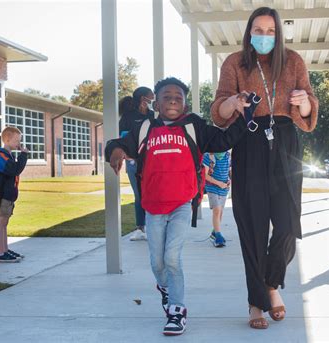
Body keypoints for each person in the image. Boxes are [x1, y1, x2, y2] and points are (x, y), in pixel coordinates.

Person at [106, 77, 252, 336]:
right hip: (153, 207)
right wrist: (115, 152)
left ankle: (177, 309)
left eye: (178, 96)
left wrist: (243, 117)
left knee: (172, 257)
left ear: (184, 103)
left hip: (182, 204)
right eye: (166, 96)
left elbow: (222, 141)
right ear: (156, 103)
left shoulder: (193, 126)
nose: (173, 99)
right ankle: (165, 288)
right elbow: (118, 144)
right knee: (157, 261)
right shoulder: (145, 128)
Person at [211, 7, 318, 329]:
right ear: (249, 32)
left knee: (287, 224)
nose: (264, 36)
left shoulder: (294, 61)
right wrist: (232, 104)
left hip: (286, 142)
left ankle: (271, 283)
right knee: (253, 225)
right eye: (258, 30)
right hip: (250, 141)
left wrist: (304, 102)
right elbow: (218, 109)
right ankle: (256, 302)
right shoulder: (234, 62)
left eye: (270, 31)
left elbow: (310, 107)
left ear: (278, 34)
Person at [0, 126, 28, 263]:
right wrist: (24, 155)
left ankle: (5, 249)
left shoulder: (8, 155)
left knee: (4, 223)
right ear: (7, 139)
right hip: (2, 196)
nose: (19, 143)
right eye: (16, 140)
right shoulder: (1, 156)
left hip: (8, 196)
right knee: (1, 223)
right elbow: (14, 170)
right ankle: (1, 253)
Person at [119, 87, 155, 241]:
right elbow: (122, 137)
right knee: (139, 195)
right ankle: (140, 228)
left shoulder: (153, 116)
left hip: (152, 161)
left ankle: (154, 226)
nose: (153, 102)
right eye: (150, 99)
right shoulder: (128, 117)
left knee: (153, 194)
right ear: (143, 99)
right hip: (134, 162)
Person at [202, 151, 231, 247]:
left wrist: (229, 180)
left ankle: (214, 232)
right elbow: (205, 175)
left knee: (220, 212)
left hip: (224, 188)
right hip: (212, 187)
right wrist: (219, 183)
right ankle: (218, 236)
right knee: (217, 210)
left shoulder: (227, 155)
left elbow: (229, 171)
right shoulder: (208, 156)